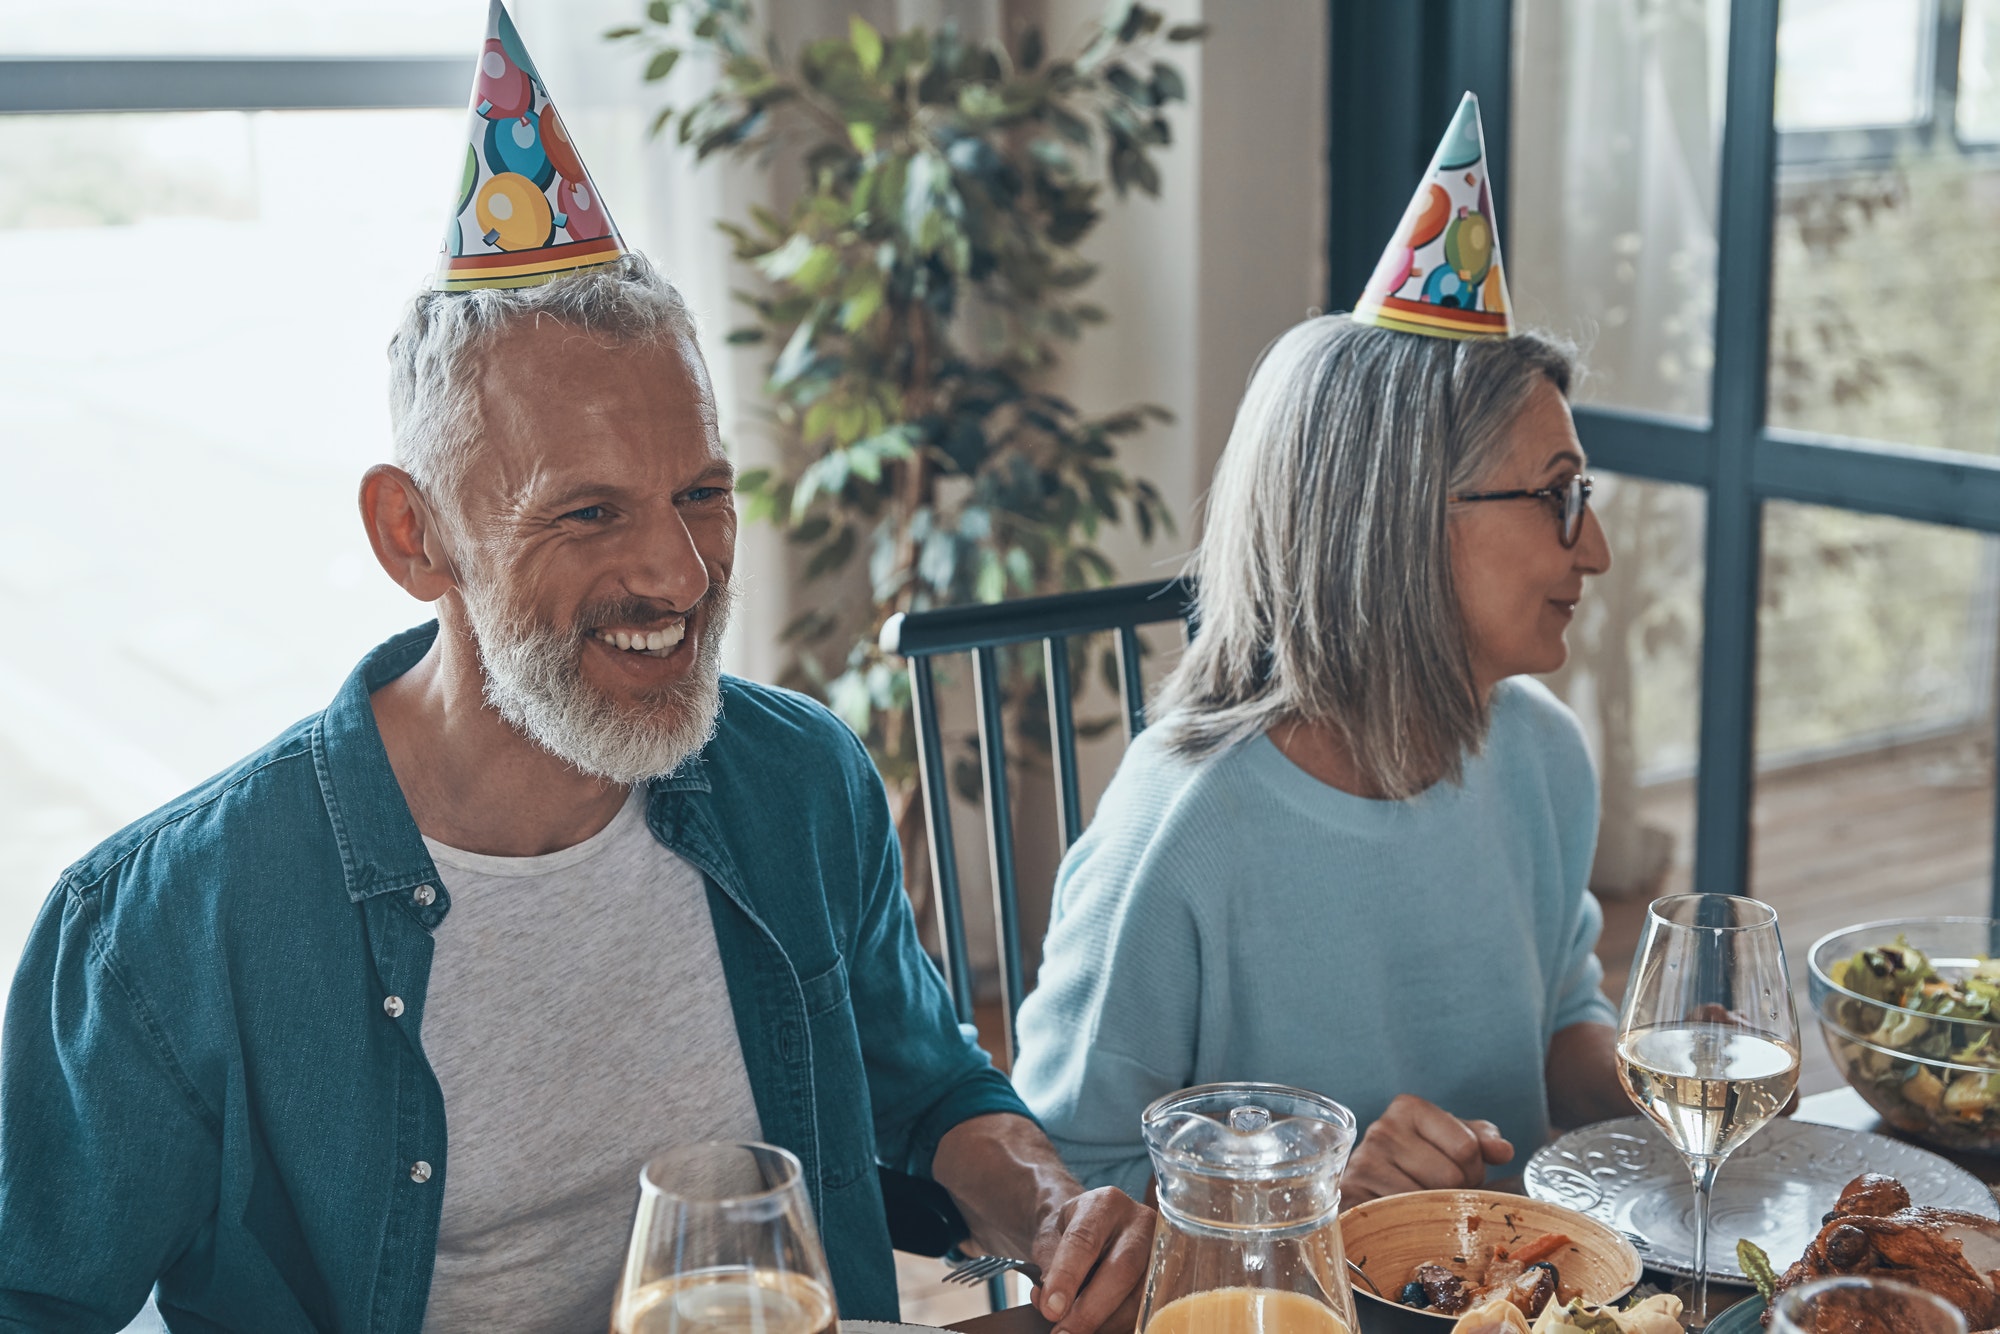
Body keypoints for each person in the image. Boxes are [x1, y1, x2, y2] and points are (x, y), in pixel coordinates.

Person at [0, 8, 1150, 1331]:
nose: (679, 572)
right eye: (589, 511)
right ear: (413, 533)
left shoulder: (803, 783)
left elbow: (933, 1089)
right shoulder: (161, 930)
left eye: (703, 492)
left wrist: (1054, 1209)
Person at [1011, 94, 1633, 1210]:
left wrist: (1653, 1075)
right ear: (1396, 517)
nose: (1593, 544)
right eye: (1555, 496)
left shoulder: (1542, 755)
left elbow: (1555, 1022)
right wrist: (1318, 1200)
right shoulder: (1184, 831)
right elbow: (1069, 1195)